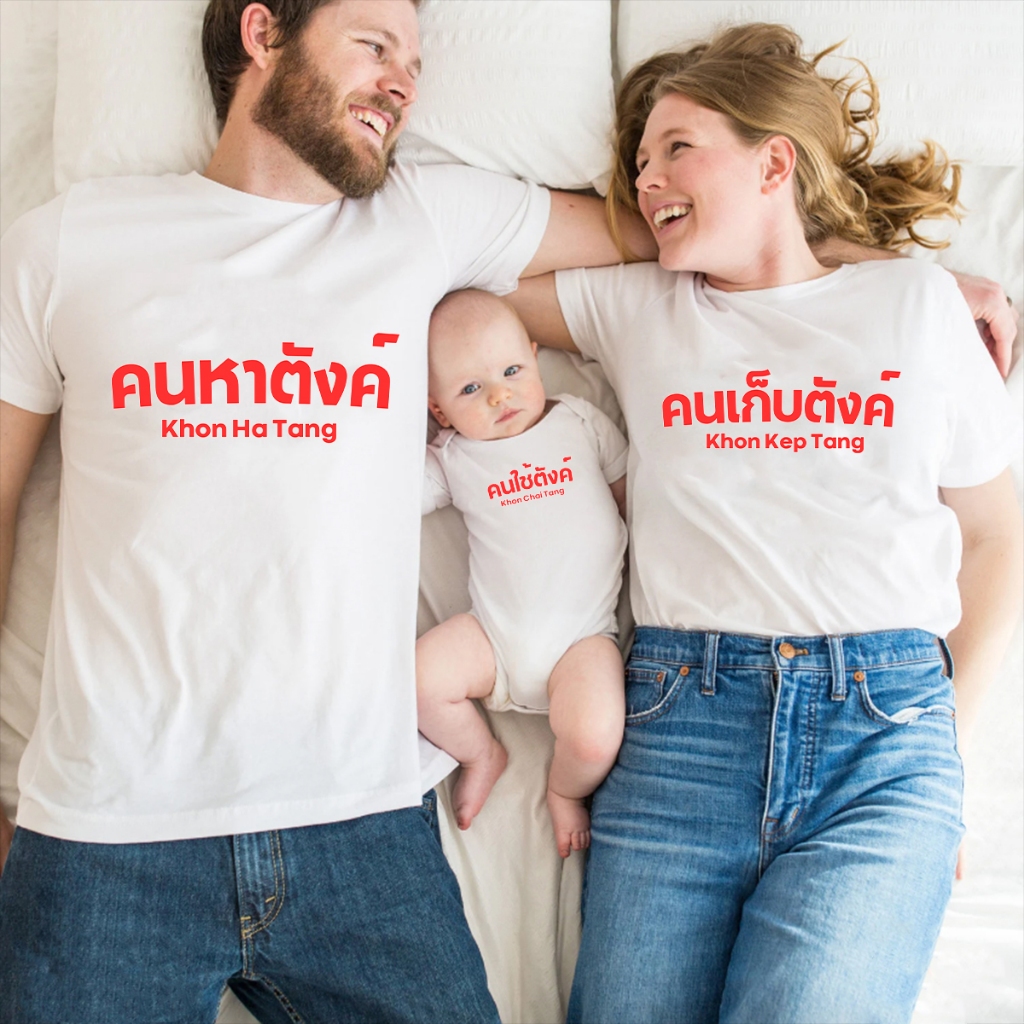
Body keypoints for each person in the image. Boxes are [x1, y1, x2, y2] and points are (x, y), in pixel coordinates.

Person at [0, 1, 654, 1021]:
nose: (404, 83)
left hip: (359, 823)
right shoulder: (68, 241)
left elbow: (673, 227)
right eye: (374, 46)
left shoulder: (422, 218)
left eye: (415, 64)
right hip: (106, 830)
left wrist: (877, 263)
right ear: (264, 35)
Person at [507, 23, 1023, 1024]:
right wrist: (665, 221)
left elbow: (998, 536)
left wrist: (947, 751)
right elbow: (463, 264)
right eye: (638, 164)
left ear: (774, 161)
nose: (648, 177)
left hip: (883, 737)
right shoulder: (641, 308)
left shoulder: (918, 305)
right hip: (680, 735)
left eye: (677, 147)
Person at [417, 289, 628, 858]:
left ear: (535, 358)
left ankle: (564, 791)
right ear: (439, 411)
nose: (499, 394)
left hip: (581, 641)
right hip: (490, 638)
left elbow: (631, 497)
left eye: (511, 371)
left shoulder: (579, 420)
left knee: (593, 737)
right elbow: (390, 498)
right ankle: (480, 753)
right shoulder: (453, 456)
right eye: (470, 389)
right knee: (417, 680)